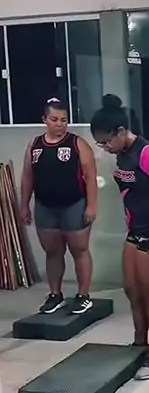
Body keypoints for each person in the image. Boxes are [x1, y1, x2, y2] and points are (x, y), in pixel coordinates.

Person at [90, 95, 149, 380]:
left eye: (106, 142)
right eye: (100, 144)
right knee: (131, 290)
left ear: (120, 131)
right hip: (135, 230)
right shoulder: (121, 154)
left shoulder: (148, 153)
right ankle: (140, 344)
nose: (105, 148)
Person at [20, 97, 97, 315]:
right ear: (44, 120)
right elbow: (27, 177)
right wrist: (24, 205)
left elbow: (90, 177)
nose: (60, 124)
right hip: (45, 207)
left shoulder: (77, 144)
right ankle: (55, 294)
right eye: (54, 119)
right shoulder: (34, 146)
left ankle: (83, 295)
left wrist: (91, 205)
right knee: (53, 252)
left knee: (79, 250)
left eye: (64, 120)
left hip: (74, 205)